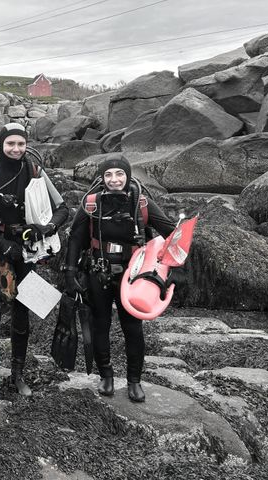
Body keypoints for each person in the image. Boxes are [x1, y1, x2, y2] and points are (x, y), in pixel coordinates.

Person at [0, 123, 69, 400]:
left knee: (22, 313)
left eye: (21, 144)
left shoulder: (34, 171)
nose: (16, 149)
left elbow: (63, 209)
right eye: (10, 143)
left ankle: (17, 375)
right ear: (1, 144)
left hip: (26, 252)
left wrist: (46, 229)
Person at [63, 154, 175, 403]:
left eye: (120, 174)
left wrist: (164, 268)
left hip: (133, 274)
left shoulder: (141, 203)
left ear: (128, 176)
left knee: (132, 327)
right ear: (102, 178)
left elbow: (170, 232)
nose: (114, 180)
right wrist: (70, 272)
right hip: (98, 269)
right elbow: (75, 238)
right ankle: (106, 376)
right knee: (100, 324)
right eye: (109, 175)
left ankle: (134, 381)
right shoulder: (91, 203)